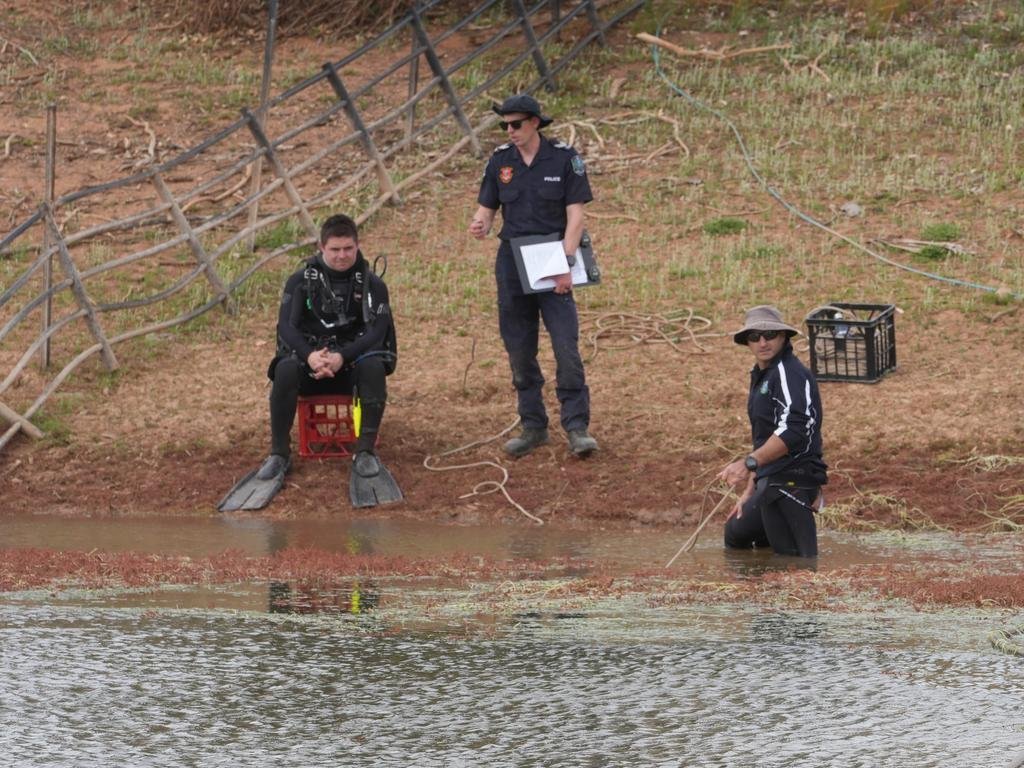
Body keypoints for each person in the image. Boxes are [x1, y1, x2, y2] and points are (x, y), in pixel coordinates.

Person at [468, 93, 597, 458]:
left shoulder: (565, 159)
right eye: (505, 125)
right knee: (519, 347)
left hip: (552, 256)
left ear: (535, 123)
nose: (510, 131)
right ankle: (533, 425)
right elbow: (488, 208)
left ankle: (576, 425)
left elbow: (576, 216)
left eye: (516, 124)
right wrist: (480, 223)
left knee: (564, 345)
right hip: (512, 260)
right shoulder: (500, 162)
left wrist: (566, 263)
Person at [263, 213, 396, 487]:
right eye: (334, 249)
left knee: (373, 366)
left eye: (348, 249)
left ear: (357, 246)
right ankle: (279, 454)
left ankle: (365, 451)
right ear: (322, 248)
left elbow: (377, 332)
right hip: (311, 365)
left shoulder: (375, 286)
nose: (341, 256)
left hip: (351, 368)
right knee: (285, 368)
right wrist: (310, 356)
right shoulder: (299, 282)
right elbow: (286, 327)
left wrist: (341, 357)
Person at [717, 305, 827, 557]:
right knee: (736, 532)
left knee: (798, 564)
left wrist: (749, 464)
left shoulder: (788, 372)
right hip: (770, 479)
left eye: (770, 335)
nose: (763, 342)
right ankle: (758, 589)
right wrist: (751, 487)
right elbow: (768, 436)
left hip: (792, 479)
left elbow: (794, 430)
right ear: (747, 342)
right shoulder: (763, 375)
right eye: (755, 337)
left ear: (784, 337)